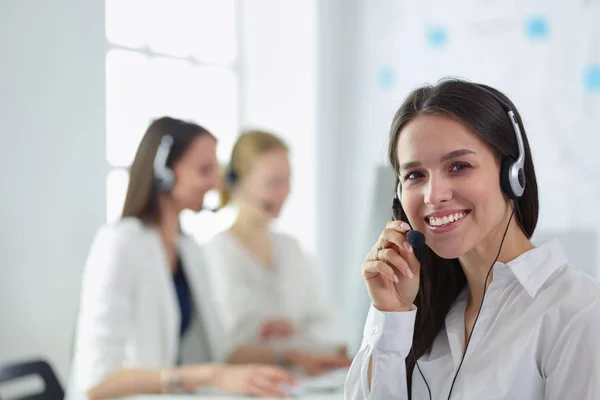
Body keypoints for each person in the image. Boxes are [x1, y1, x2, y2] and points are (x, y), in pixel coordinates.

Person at [344, 78, 600, 399]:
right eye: (414, 175)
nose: (433, 195)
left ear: (512, 175)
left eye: (459, 166)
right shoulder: (431, 311)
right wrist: (391, 316)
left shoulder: (579, 312)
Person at [67, 117, 297, 400]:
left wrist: (294, 357)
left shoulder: (188, 249)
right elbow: (96, 381)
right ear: (163, 173)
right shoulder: (119, 243)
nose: (216, 183)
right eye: (204, 170)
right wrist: (213, 376)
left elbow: (220, 350)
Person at [203, 130, 351, 376]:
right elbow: (223, 345)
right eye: (273, 183)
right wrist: (284, 347)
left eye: (287, 181)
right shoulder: (217, 252)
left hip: (305, 380)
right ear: (237, 182)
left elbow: (323, 319)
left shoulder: (291, 248)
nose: (284, 193)